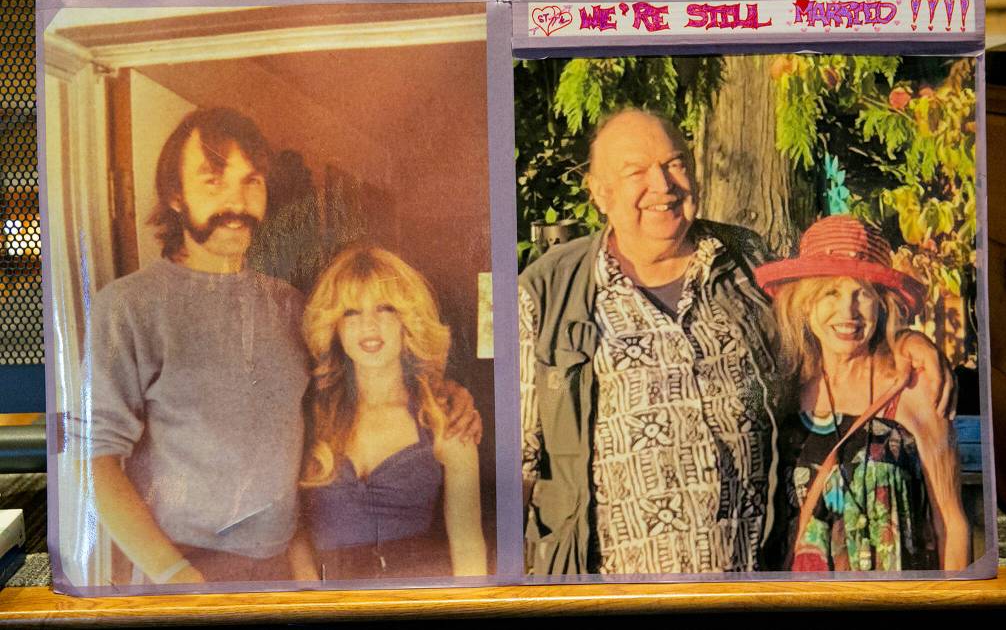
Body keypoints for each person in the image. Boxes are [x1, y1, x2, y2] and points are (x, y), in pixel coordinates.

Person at [77, 107, 480, 585]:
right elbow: (93, 460)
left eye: (251, 181)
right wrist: (176, 575)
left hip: (282, 569)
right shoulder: (129, 307)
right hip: (184, 572)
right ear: (176, 196)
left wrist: (447, 395)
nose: (236, 201)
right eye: (213, 182)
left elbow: (361, 372)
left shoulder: (289, 306)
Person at [519, 108, 782, 574]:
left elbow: (823, 356)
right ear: (600, 193)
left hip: (753, 579)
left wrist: (905, 348)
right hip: (616, 592)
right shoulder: (546, 291)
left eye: (675, 164)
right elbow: (513, 465)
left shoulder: (747, 258)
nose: (662, 185)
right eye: (635, 171)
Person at [754, 215, 969, 571]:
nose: (848, 312)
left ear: (882, 303)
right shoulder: (783, 392)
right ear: (805, 303)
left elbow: (950, 522)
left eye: (862, 294)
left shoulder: (913, 389)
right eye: (831, 293)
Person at [289, 247, 487, 579]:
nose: (369, 324)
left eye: (385, 308)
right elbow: (291, 530)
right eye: (351, 312)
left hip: (412, 599)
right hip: (327, 599)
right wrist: (311, 596)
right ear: (335, 327)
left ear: (407, 321)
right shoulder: (307, 416)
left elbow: (468, 552)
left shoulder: (444, 421)